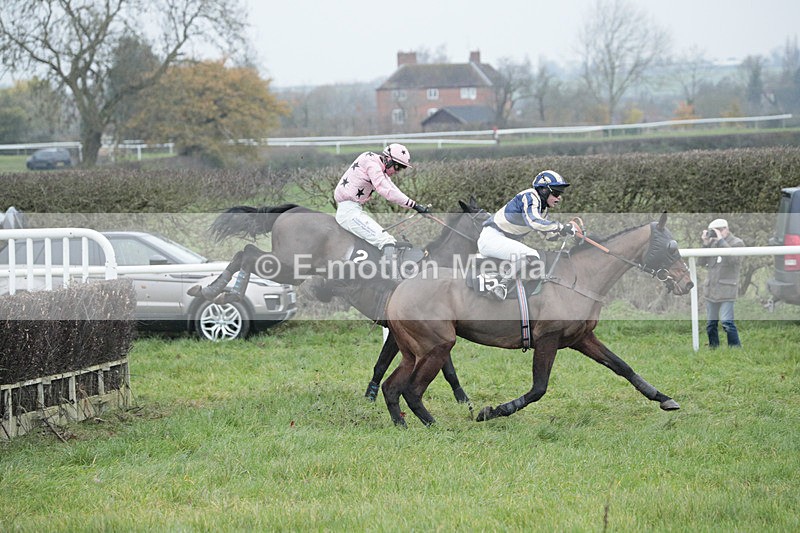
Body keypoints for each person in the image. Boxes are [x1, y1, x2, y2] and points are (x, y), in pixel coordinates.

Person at [334, 143, 429, 278]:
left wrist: (417, 205)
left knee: (385, 240)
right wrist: (414, 205)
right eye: (398, 166)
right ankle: (395, 281)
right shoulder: (372, 163)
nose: (398, 171)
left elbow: (392, 187)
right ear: (388, 159)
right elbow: (387, 190)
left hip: (354, 209)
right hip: (349, 212)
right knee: (386, 241)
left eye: (401, 168)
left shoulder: (377, 164)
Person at [477, 170, 575, 300]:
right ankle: (501, 287)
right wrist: (560, 226)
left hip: (500, 239)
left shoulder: (543, 208)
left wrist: (565, 232)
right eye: (556, 193)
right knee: (531, 255)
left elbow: (548, 235)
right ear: (544, 190)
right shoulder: (530, 196)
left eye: (560, 194)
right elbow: (534, 222)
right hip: (492, 238)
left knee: (533, 255)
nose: (559, 198)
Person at [700, 218, 745, 348]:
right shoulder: (712, 244)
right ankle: (714, 347)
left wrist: (721, 240)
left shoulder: (737, 243)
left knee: (727, 322)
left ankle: (735, 347)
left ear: (726, 229)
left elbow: (734, 260)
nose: (716, 234)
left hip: (727, 289)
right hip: (711, 290)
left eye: (718, 230)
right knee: (710, 323)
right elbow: (701, 263)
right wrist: (705, 243)